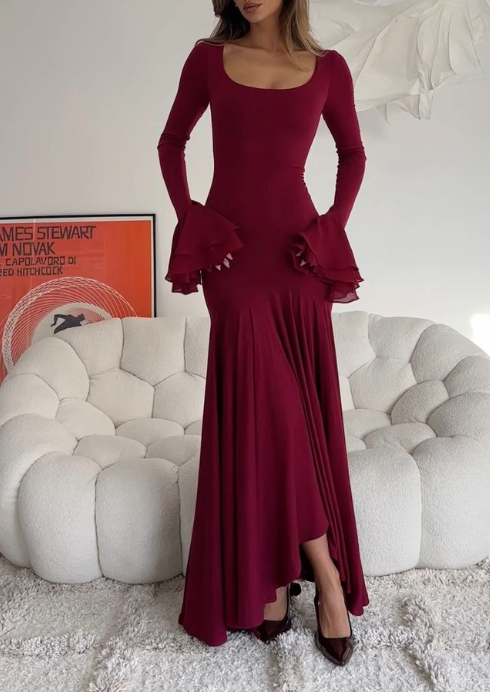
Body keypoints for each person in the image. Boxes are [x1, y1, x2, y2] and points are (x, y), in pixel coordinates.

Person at [157, 0, 369, 666]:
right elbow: (171, 143)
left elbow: (353, 154)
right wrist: (195, 221)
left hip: (297, 261)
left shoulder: (328, 68)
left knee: (285, 419)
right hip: (233, 259)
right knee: (270, 411)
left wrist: (328, 228)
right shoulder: (207, 59)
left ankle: (277, 580)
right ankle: (324, 574)